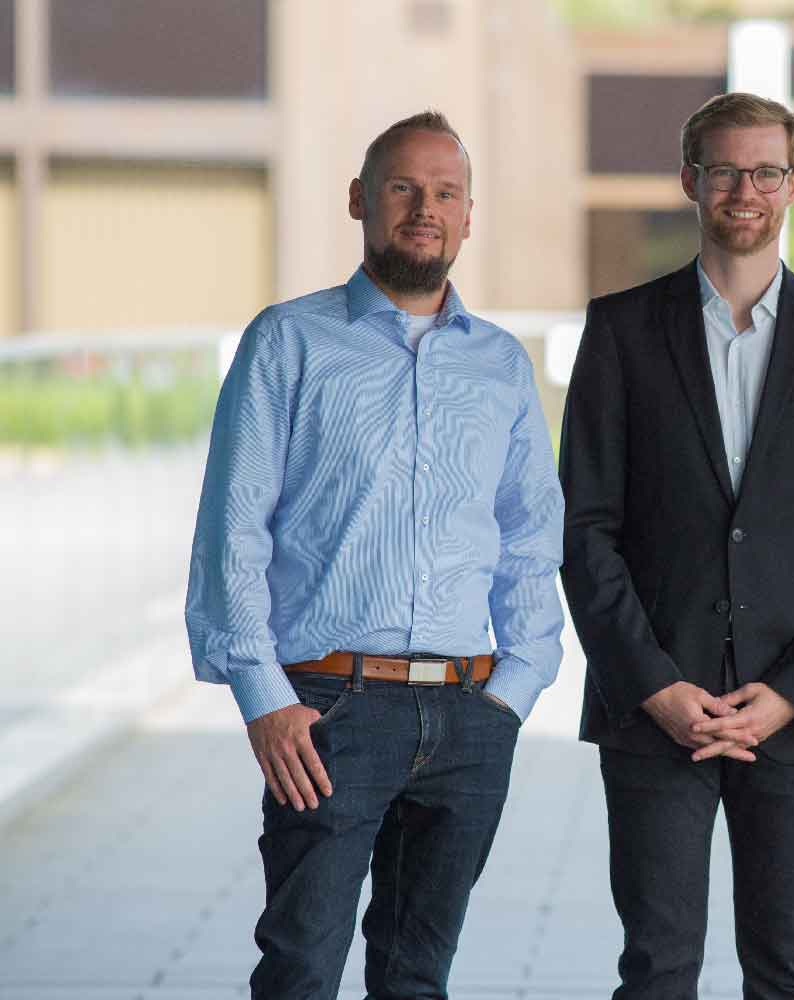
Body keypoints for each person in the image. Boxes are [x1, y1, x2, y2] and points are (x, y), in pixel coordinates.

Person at [184, 110, 563, 999]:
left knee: (417, 977)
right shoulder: (289, 341)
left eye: (445, 193)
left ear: (469, 216)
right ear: (360, 198)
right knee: (301, 971)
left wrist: (514, 689)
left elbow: (529, 535)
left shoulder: (502, 365)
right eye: (403, 187)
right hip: (327, 712)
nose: (423, 208)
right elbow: (232, 528)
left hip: (471, 713)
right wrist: (265, 699)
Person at [559, 92, 794, 1000]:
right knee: (656, 971)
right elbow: (584, 526)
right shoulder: (621, 330)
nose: (743, 190)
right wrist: (654, 685)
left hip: (791, 714)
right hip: (653, 708)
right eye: (724, 171)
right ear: (690, 181)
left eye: (764, 172)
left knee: (788, 973)